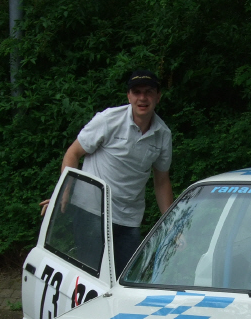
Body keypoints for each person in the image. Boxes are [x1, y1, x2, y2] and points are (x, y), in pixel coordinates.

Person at [42, 70, 174, 272]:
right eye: (136, 92)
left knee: (126, 279)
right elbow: (73, 153)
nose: (142, 98)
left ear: (158, 96)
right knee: (92, 276)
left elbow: (162, 181)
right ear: (128, 96)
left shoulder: (162, 134)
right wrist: (64, 192)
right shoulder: (108, 120)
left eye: (149, 92)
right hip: (92, 212)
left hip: (129, 219)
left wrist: (172, 223)